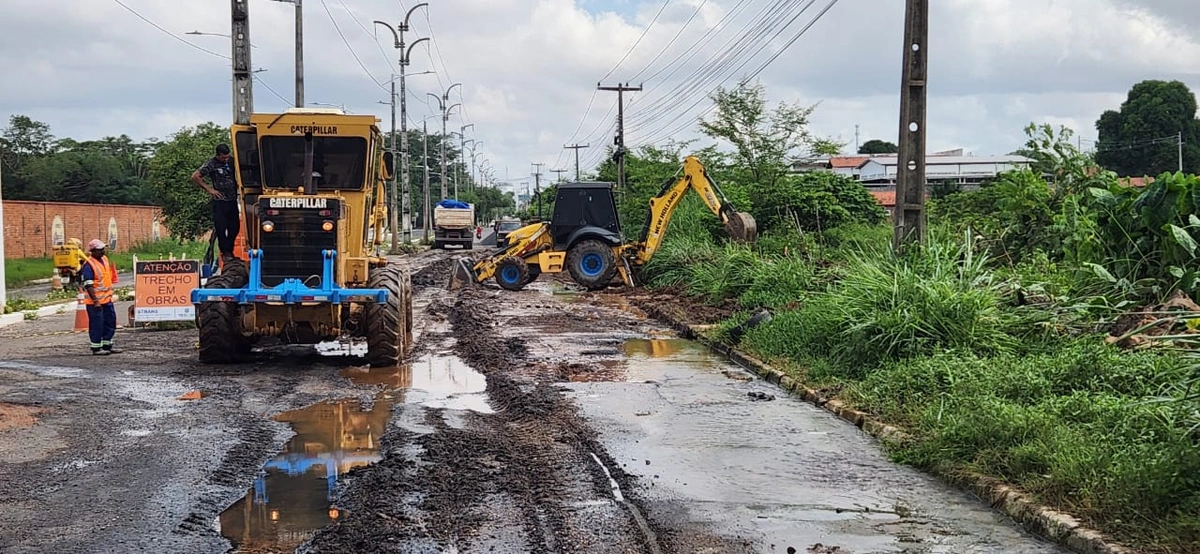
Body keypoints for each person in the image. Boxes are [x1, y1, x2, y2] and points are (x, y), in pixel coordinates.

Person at [191, 143, 240, 261]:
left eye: (227, 157)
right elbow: (195, 176)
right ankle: (225, 252)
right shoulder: (211, 163)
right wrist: (210, 190)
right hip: (220, 200)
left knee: (235, 227)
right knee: (221, 227)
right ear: (217, 155)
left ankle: (229, 249)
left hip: (232, 199)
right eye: (223, 157)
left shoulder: (232, 161)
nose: (226, 159)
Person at [80, 239, 121, 355]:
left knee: (110, 322)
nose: (103, 252)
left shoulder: (104, 259)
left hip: (107, 300)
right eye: (100, 250)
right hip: (95, 302)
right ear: (93, 251)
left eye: (103, 249)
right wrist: (96, 301)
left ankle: (107, 345)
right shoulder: (89, 265)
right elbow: (88, 285)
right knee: (97, 324)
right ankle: (96, 348)